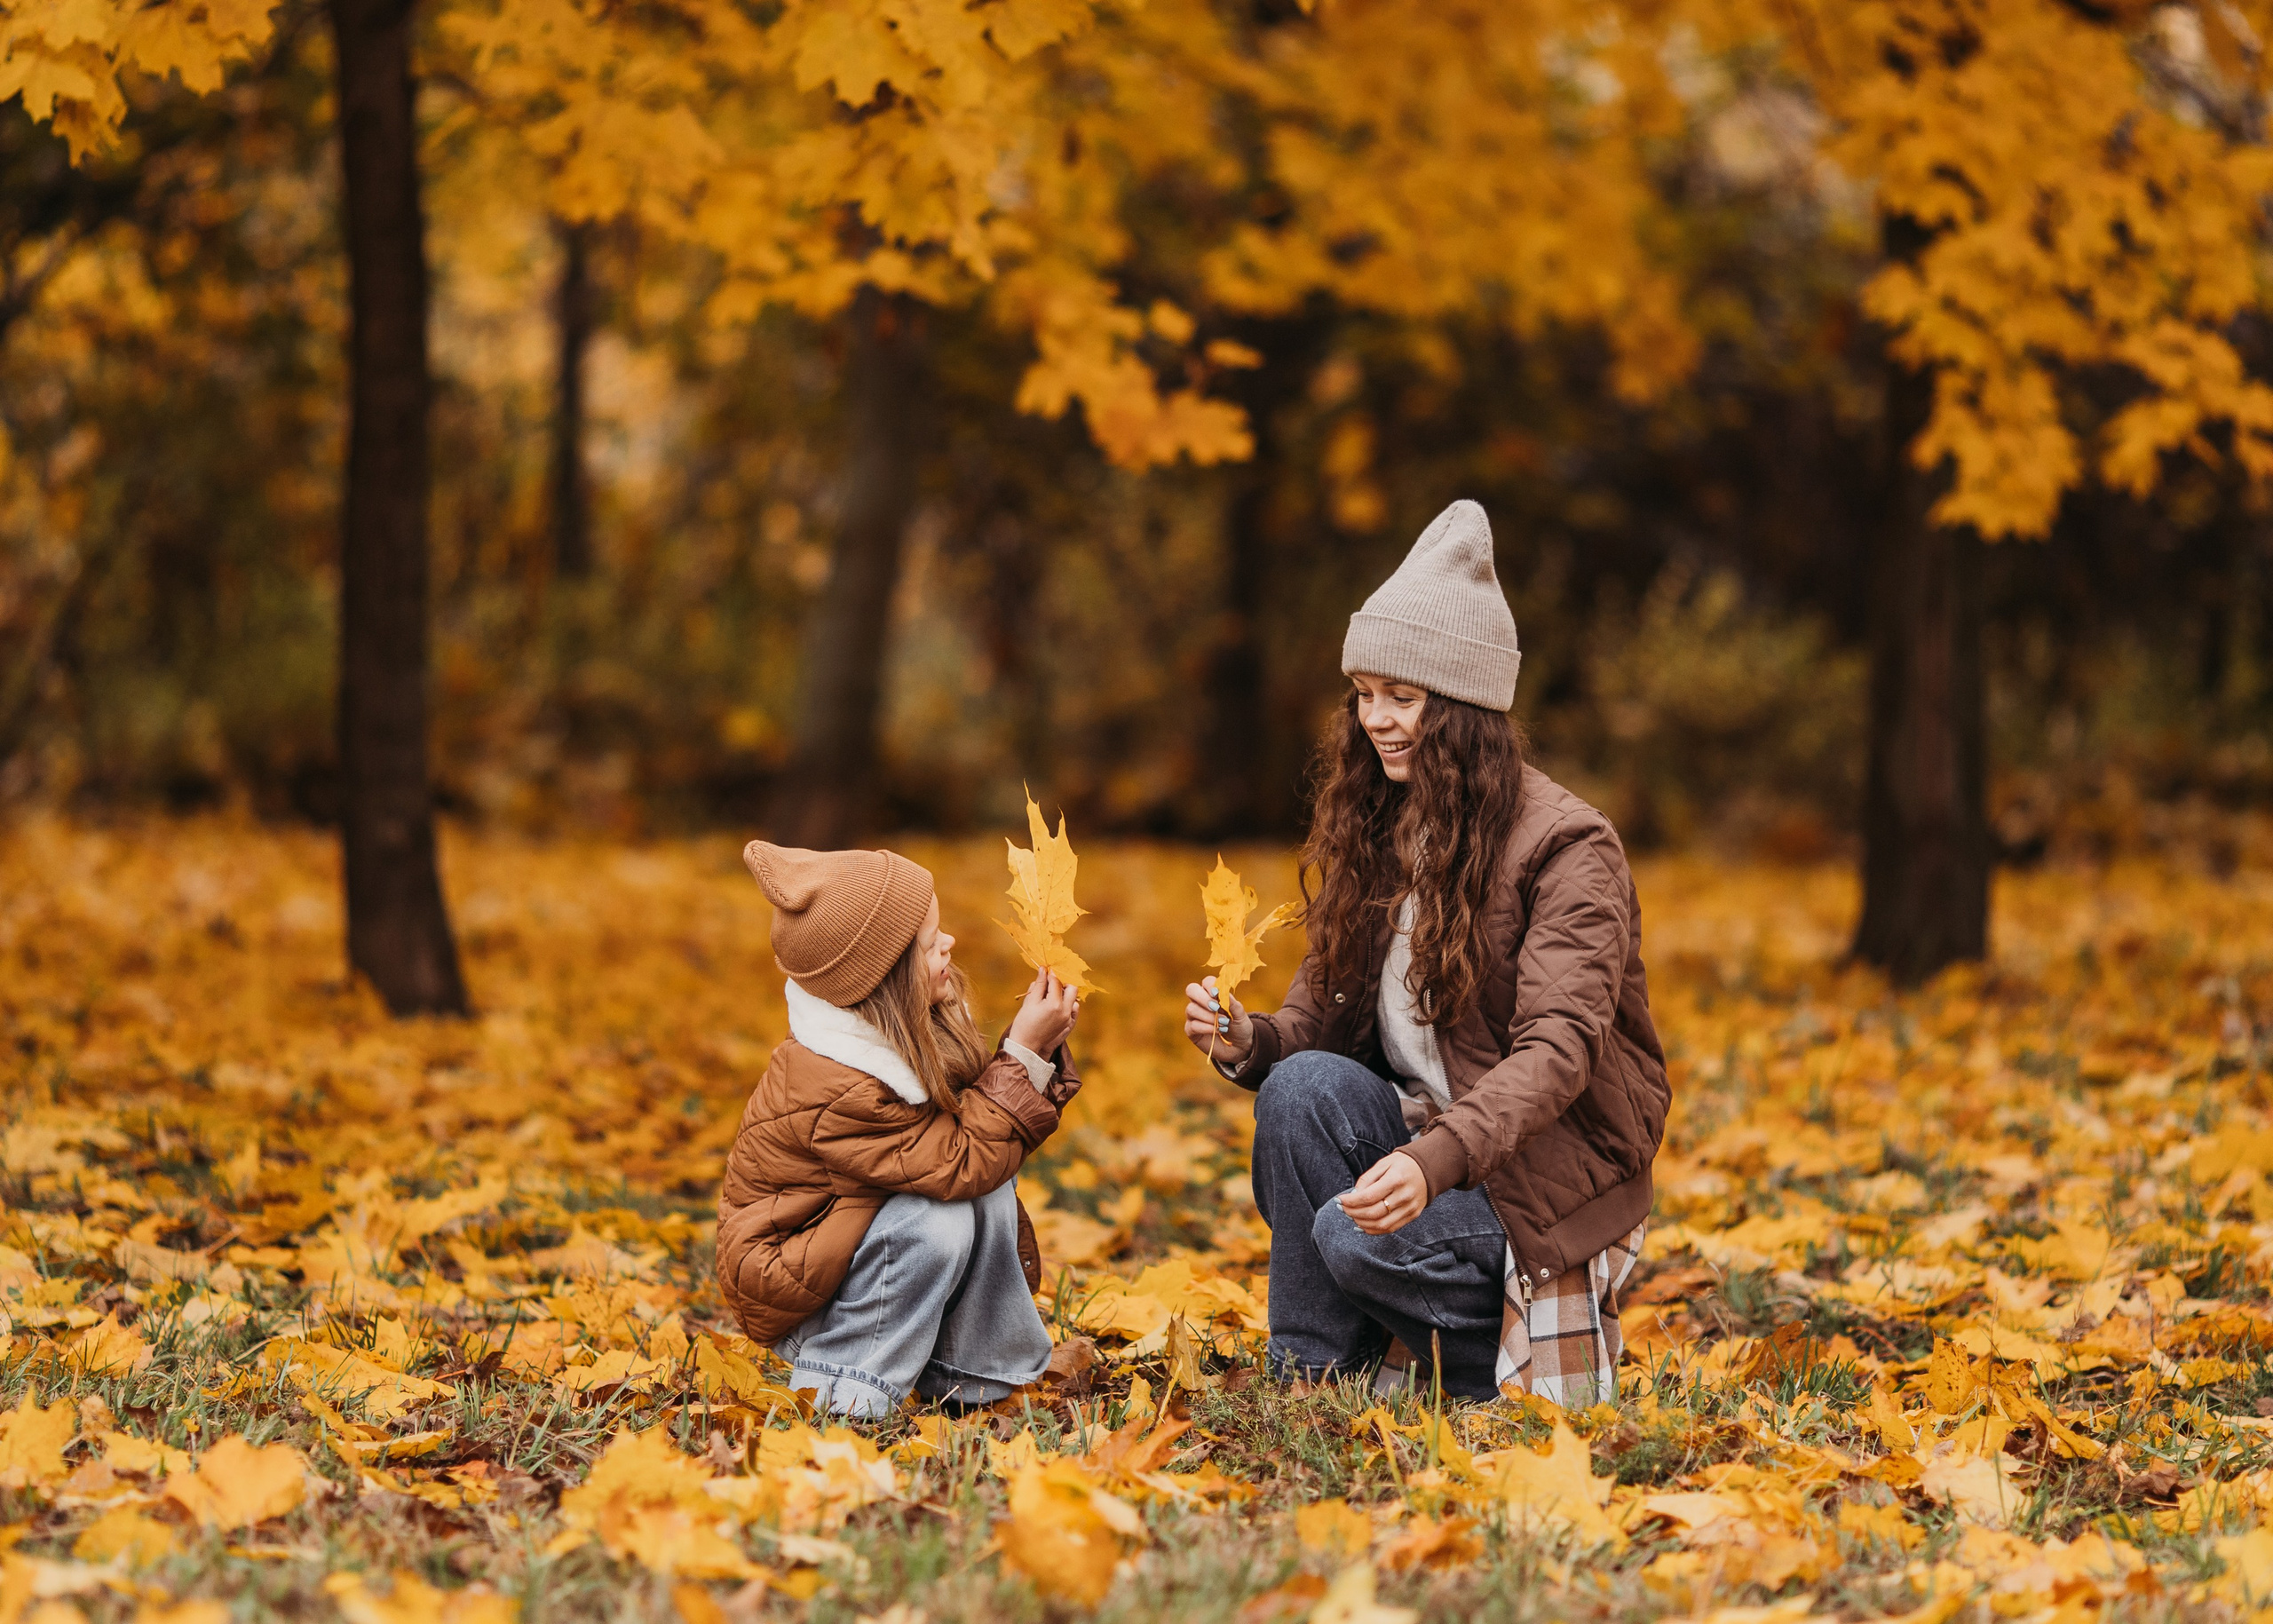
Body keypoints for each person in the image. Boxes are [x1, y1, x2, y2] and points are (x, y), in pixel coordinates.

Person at [1183, 499, 1669, 1405]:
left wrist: (1432, 1161)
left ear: (1464, 707)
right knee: (1295, 1091)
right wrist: (1246, 1041)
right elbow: (1315, 1022)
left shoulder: (1569, 847)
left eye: (1401, 697)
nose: (1375, 718)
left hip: (1534, 1177)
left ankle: (1482, 1352)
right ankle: (1312, 1376)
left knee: (1349, 1235)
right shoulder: (1378, 823)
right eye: (1363, 694)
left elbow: (1556, 1055)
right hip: (1422, 1136)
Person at [718, 841, 1081, 1416]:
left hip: (845, 1251)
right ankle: (842, 1388)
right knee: (936, 1219)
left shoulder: (903, 1032)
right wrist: (1023, 1055)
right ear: (885, 975)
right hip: (797, 1286)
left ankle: (968, 1375)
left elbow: (979, 1139)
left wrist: (1033, 1055)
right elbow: (962, 1158)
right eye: (929, 942)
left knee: (982, 1192)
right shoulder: (838, 1083)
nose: (949, 943)